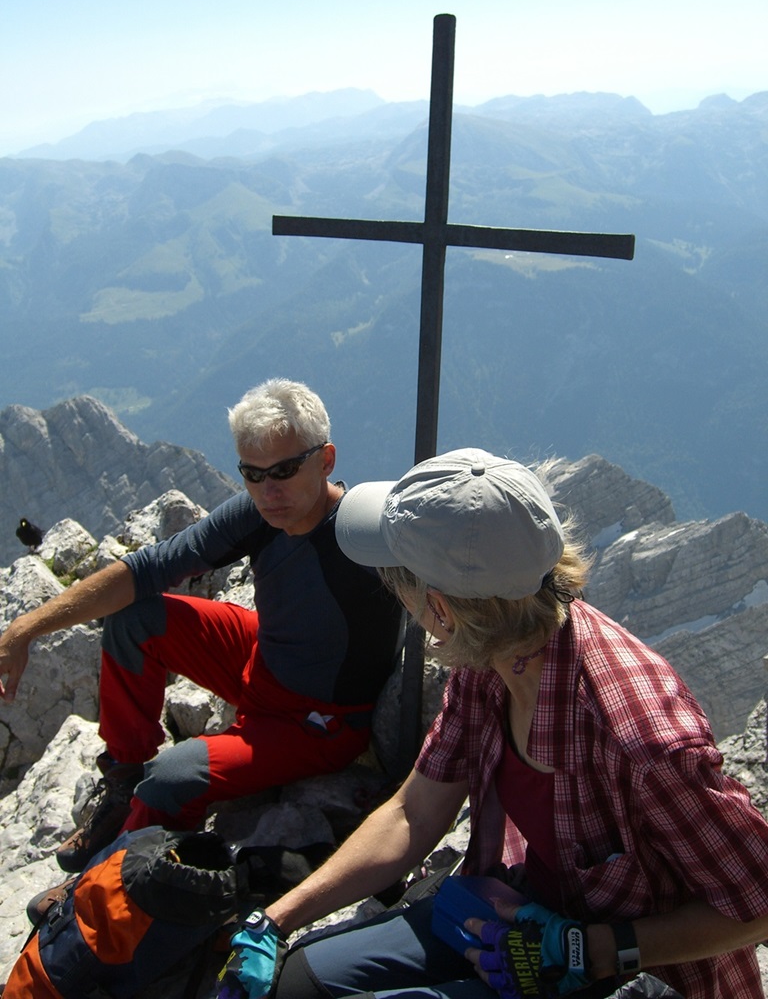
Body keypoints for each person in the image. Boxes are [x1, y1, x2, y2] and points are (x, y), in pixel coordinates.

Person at [218, 448, 768, 999]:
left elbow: (758, 906)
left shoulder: (640, 738)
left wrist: (591, 948)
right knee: (300, 984)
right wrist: (276, 920)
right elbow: (415, 811)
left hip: (627, 975)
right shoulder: (493, 659)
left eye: (398, 582)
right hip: (517, 916)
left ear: (440, 610)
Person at [0, 379, 404, 873]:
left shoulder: (366, 536)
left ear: (326, 460)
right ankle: (124, 778)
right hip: (264, 658)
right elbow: (147, 569)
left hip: (318, 721)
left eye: (284, 470)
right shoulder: (259, 513)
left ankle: (108, 878)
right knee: (135, 618)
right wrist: (26, 627)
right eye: (252, 474)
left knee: (171, 779)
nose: (268, 491)